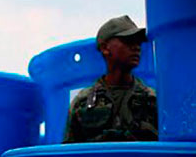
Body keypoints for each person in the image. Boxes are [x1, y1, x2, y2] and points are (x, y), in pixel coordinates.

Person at [64, 15, 158, 143]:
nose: (136, 47)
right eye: (128, 41)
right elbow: (71, 154)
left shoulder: (152, 100)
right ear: (105, 48)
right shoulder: (83, 102)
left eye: (138, 42)